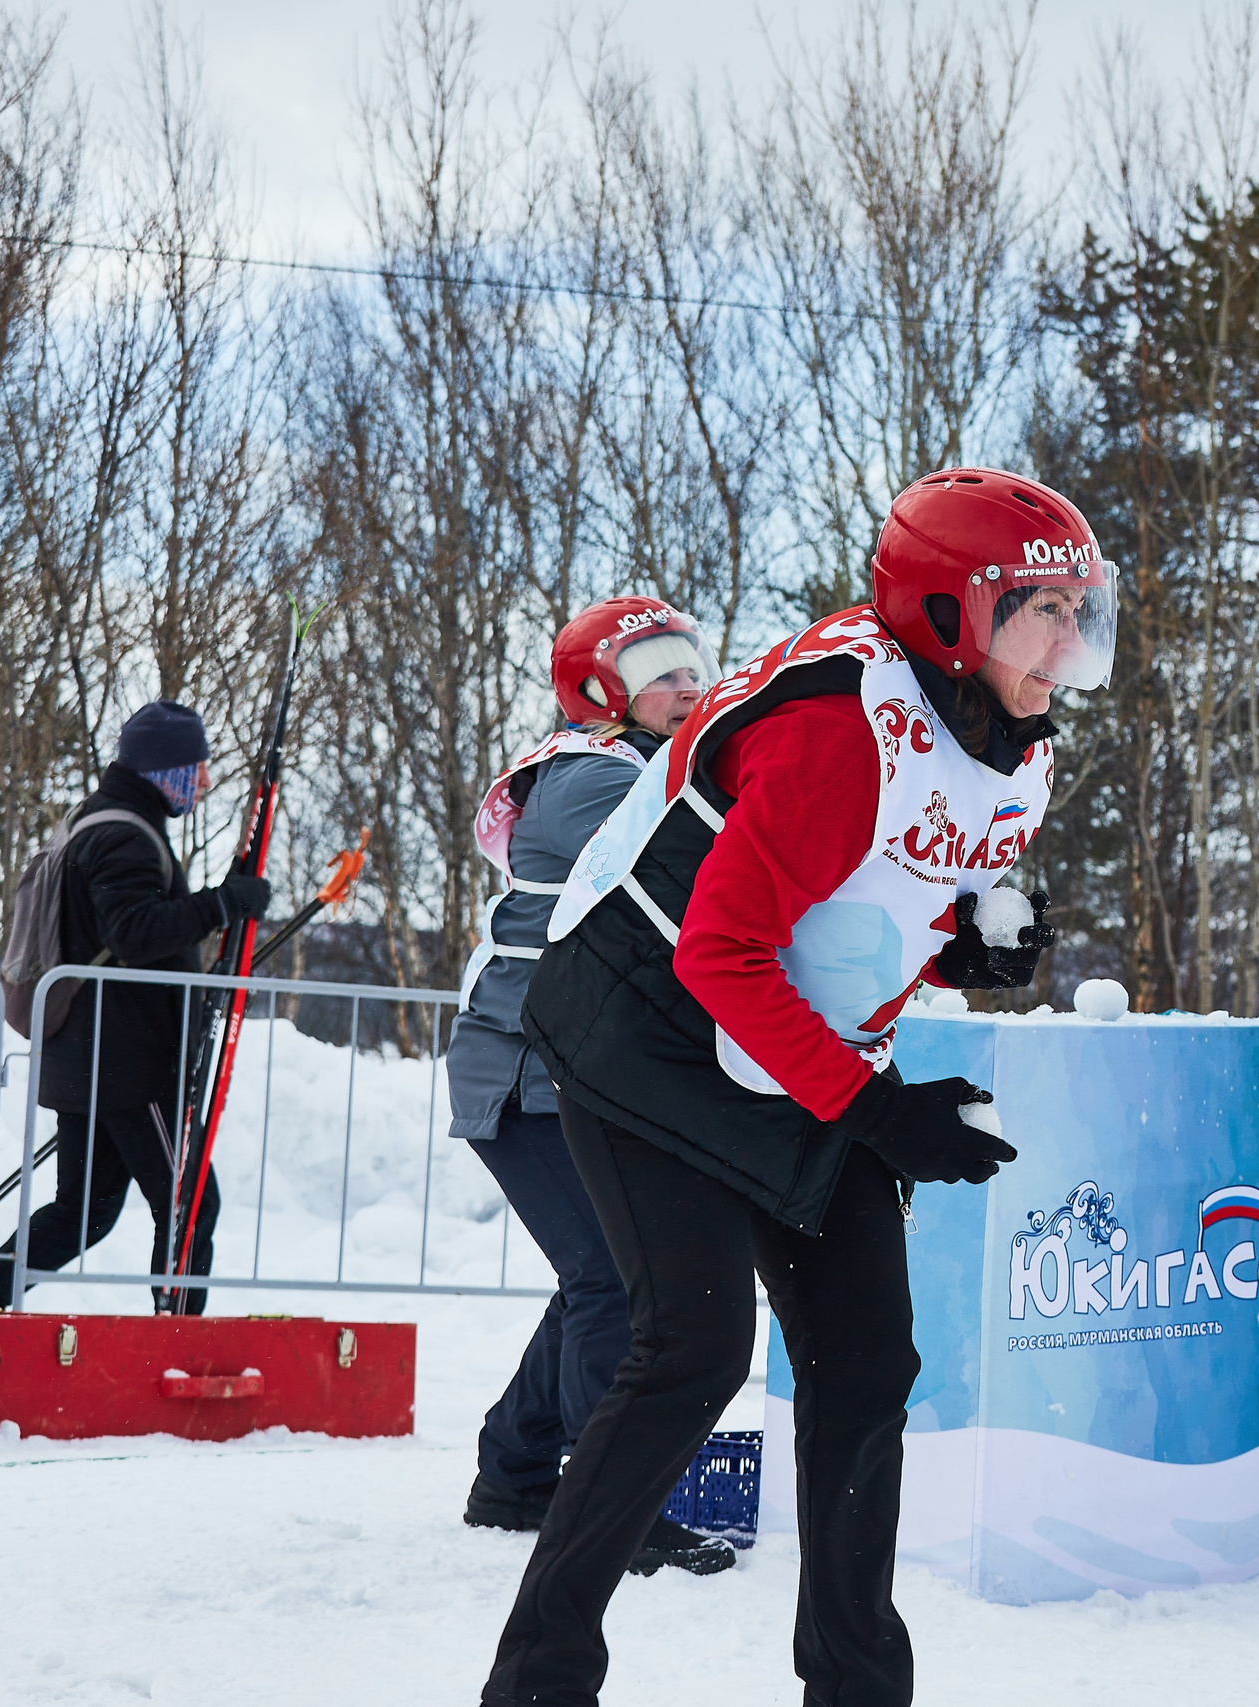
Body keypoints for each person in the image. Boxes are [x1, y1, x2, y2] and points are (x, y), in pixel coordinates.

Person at [483, 467, 1110, 1707]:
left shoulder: (1012, 742)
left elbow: (864, 911)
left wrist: (962, 948)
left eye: (1079, 610)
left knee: (868, 1359)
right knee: (690, 1352)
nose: (1069, 640)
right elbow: (722, 949)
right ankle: (538, 1685)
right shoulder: (838, 728)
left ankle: (857, 1688)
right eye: (1042, 609)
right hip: (646, 1021)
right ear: (951, 614)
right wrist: (878, 1112)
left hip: (788, 1038)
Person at [449, 595, 734, 1578]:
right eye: (659, 665)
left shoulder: (653, 771)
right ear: (601, 687)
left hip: (572, 1066)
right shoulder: (590, 779)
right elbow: (706, 872)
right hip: (524, 1068)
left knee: (600, 1275)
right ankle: (615, 1506)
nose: (686, 680)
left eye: (692, 661)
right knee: (616, 1278)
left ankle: (515, 1474)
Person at [0, 700, 271, 1314]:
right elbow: (134, 932)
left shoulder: (104, 820)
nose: (204, 781)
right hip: (130, 1064)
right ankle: (168, 1346)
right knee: (189, 1204)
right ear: (164, 770)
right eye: (196, 767)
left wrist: (221, 901)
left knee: (83, 1214)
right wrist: (221, 905)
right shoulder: (123, 833)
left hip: (89, 1055)